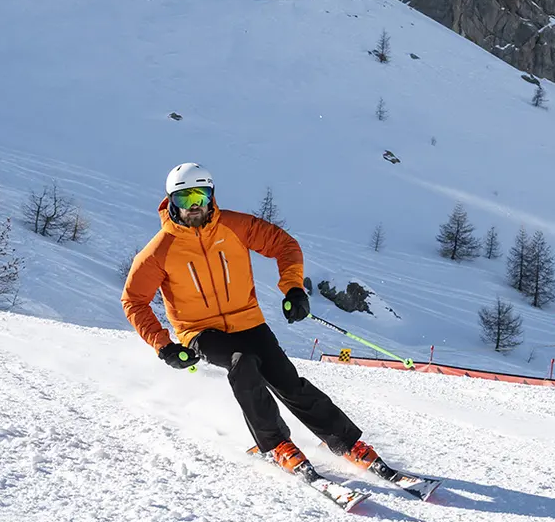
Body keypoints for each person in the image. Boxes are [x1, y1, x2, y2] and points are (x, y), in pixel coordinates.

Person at [122, 162, 387, 478]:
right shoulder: (159, 251)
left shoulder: (234, 226)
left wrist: (293, 289)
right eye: (184, 198)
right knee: (242, 362)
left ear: (211, 196)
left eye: (200, 196)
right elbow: (134, 301)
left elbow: (284, 245)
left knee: (287, 380)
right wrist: (164, 345)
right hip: (199, 330)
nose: (194, 207)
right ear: (171, 202)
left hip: (248, 321)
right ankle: (276, 445)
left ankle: (347, 442)